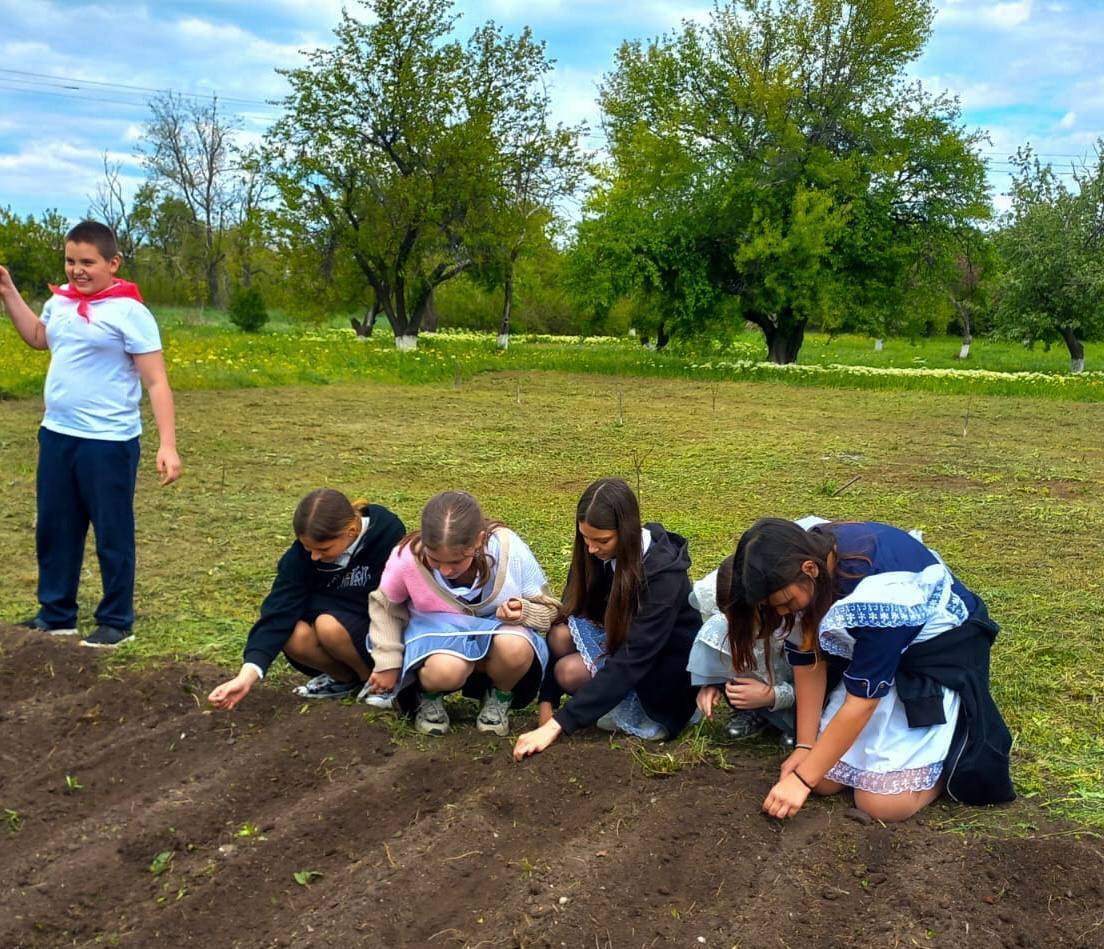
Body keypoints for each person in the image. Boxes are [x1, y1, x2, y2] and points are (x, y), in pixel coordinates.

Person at [721, 518, 1014, 822]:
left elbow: (863, 701)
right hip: (873, 664)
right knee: (822, 780)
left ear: (810, 569)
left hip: (933, 661)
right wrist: (805, 746)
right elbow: (809, 659)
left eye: (784, 603)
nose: (782, 613)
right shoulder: (796, 563)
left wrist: (800, 781)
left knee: (879, 805)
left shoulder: (883, 594)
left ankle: (945, 760)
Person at [0, 221, 180, 648]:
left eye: (87, 262)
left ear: (112, 263)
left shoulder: (130, 312)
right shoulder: (58, 304)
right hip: (58, 435)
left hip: (110, 441)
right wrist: (8, 292)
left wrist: (167, 444)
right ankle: (56, 613)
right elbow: (39, 338)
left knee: (112, 530)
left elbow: (156, 382)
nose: (76, 270)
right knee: (55, 527)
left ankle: (116, 620)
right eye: (70, 261)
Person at [513, 477, 699, 760]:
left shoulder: (664, 577)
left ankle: (633, 710)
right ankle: (603, 702)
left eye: (602, 540)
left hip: (663, 675)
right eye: (585, 538)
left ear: (627, 532)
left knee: (570, 672)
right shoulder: (594, 553)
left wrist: (558, 725)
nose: (591, 549)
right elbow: (569, 612)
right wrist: (547, 704)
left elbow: (635, 657)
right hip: (622, 643)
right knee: (561, 634)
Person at [366, 491, 558, 737]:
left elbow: (550, 609)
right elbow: (385, 608)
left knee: (515, 646)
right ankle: (428, 696)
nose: (446, 570)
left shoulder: (508, 550)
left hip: (495, 639)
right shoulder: (407, 558)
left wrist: (524, 611)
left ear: (478, 541)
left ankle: (498, 697)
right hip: (437, 642)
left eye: (456, 561)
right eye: (435, 560)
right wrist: (387, 662)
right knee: (447, 670)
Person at [207, 489, 404, 709]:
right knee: (292, 633)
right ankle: (344, 680)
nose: (314, 557)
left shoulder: (388, 535)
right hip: (331, 624)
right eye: (307, 547)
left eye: (322, 549)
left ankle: (380, 683)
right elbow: (277, 612)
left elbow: (393, 601)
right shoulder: (299, 558)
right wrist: (247, 675)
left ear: (350, 531)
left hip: (377, 630)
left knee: (328, 626)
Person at [688, 559, 796, 745]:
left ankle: (796, 721)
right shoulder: (724, 619)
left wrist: (774, 695)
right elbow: (720, 653)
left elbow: (821, 675)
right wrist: (712, 685)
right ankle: (756, 711)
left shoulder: (792, 622)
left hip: (802, 690)